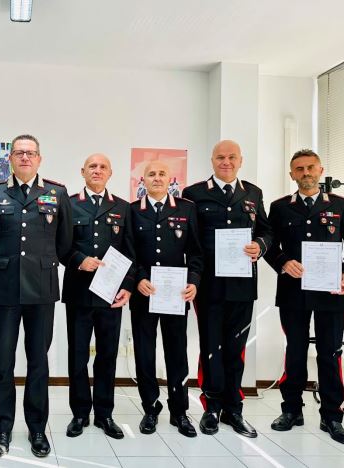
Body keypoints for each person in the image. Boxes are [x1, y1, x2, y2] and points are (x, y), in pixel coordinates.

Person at [0, 134, 72, 458]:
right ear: (10, 158)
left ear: (39, 158)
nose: (24, 157)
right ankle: (2, 429)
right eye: (19, 152)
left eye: (30, 153)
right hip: (5, 289)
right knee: (3, 363)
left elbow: (65, 242)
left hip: (42, 290)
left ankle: (37, 429)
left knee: (38, 363)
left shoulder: (57, 193)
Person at [265, 149, 344, 445]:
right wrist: (283, 262)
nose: (305, 173)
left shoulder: (341, 205)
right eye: (299, 169)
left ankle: (332, 416)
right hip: (293, 291)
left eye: (310, 167)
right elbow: (269, 245)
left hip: (331, 292)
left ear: (320, 170)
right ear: (291, 174)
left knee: (330, 353)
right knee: (295, 350)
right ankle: (291, 410)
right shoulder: (280, 207)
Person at [182, 140, 272, 437]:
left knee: (236, 349)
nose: (226, 162)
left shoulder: (253, 193)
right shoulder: (194, 193)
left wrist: (260, 245)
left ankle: (234, 408)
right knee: (211, 347)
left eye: (232, 157)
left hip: (243, 285)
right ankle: (211, 406)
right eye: (220, 157)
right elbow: (190, 239)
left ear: (240, 160)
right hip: (209, 285)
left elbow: (266, 231)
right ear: (212, 160)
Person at [61, 153, 133, 439]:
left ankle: (105, 414)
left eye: (103, 167)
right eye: (92, 166)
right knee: (78, 356)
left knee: (107, 356)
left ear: (110, 173)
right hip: (79, 293)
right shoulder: (68, 204)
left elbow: (130, 250)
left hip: (111, 295)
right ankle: (80, 413)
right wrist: (79, 260)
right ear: (83, 171)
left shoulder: (123, 208)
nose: (97, 170)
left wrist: (128, 285)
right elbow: (60, 245)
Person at [130, 160, 203, 438]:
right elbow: (128, 251)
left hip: (175, 294)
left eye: (162, 174)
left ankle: (179, 410)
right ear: (143, 180)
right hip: (144, 294)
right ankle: (150, 408)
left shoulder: (186, 209)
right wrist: (138, 278)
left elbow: (196, 252)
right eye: (151, 174)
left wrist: (194, 281)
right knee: (144, 353)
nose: (157, 178)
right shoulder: (133, 210)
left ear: (170, 179)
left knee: (177, 352)